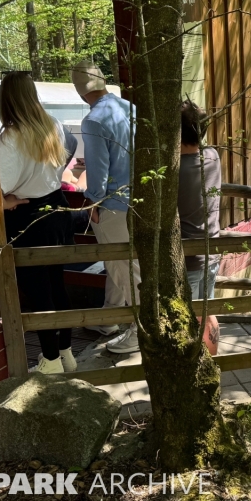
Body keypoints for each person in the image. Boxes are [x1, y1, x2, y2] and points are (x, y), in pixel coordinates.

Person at [0, 72, 77, 374]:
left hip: (28, 215)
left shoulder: (10, 138)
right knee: (57, 283)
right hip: (57, 206)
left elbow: (0, 186)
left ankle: (51, 360)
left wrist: (6, 202)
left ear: (7, 98)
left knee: (38, 289)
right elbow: (65, 157)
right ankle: (65, 352)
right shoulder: (52, 124)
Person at [71, 60, 139, 355]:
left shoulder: (94, 120)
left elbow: (98, 174)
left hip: (113, 205)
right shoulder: (129, 108)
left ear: (79, 92)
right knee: (121, 264)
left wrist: (93, 200)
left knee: (123, 267)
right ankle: (109, 318)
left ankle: (141, 330)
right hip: (138, 197)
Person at [178, 101, 221, 351]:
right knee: (208, 310)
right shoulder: (213, 156)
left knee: (190, 317)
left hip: (189, 257)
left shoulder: (175, 169)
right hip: (211, 248)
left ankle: (198, 366)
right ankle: (211, 364)